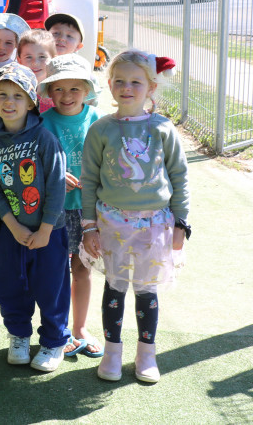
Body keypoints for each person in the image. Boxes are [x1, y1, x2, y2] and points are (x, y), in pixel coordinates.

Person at [80, 50, 189, 384]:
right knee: (115, 288)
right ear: (110, 85)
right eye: (120, 81)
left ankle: (147, 353)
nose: (127, 88)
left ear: (151, 87)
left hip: (154, 226)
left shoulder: (162, 129)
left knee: (146, 291)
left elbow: (179, 176)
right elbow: (90, 181)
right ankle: (112, 352)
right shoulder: (100, 129)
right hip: (111, 225)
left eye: (136, 82)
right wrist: (89, 226)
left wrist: (182, 223)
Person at [0, 63, 70, 373]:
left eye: (18, 96)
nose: (9, 102)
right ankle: (18, 336)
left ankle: (53, 341)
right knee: (11, 286)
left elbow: (58, 185)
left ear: (31, 101)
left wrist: (46, 229)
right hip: (12, 232)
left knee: (51, 288)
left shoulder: (44, 139)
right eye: (2, 95)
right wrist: (12, 225)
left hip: (50, 233)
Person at [38, 54, 104, 361]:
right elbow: (33, 164)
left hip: (88, 210)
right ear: (49, 93)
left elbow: (108, 160)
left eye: (74, 89)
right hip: (54, 210)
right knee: (55, 272)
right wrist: (53, 176)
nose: (66, 96)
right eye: (59, 89)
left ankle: (79, 329)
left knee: (82, 269)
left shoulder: (96, 119)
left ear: (86, 90)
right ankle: (58, 330)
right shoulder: (43, 123)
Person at [18, 29, 57, 113]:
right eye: (28, 57)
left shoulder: (58, 90)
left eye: (42, 57)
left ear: (53, 59)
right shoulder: (16, 87)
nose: (35, 63)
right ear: (19, 60)